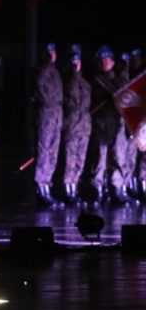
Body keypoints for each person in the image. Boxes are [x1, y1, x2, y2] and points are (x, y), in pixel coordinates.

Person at [89, 45, 131, 205]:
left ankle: (117, 190)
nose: (105, 63)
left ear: (113, 62)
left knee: (119, 158)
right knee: (99, 159)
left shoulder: (120, 81)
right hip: (100, 125)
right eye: (101, 60)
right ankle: (98, 191)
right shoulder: (93, 82)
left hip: (118, 125)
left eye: (107, 60)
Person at [32, 42, 63, 207]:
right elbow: (39, 80)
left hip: (57, 116)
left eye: (53, 52)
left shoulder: (56, 73)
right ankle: (40, 187)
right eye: (48, 52)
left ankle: (47, 186)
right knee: (43, 152)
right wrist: (47, 63)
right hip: (45, 117)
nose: (52, 55)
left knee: (53, 153)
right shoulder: (40, 70)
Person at [62, 51, 91, 205]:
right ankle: (68, 190)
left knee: (80, 160)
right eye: (73, 62)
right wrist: (73, 75)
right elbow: (70, 94)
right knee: (70, 159)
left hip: (85, 126)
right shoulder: (66, 82)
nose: (76, 64)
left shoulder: (86, 84)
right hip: (72, 126)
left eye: (78, 61)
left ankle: (75, 188)